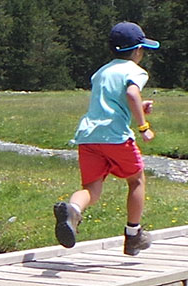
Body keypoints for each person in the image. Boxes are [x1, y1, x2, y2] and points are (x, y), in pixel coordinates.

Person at [54, 22, 160, 256]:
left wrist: (138, 107)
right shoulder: (134, 70)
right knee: (136, 180)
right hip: (115, 137)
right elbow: (131, 93)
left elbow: (111, 103)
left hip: (89, 136)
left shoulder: (100, 72)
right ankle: (134, 236)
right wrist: (143, 126)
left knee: (91, 189)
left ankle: (73, 210)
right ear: (137, 51)